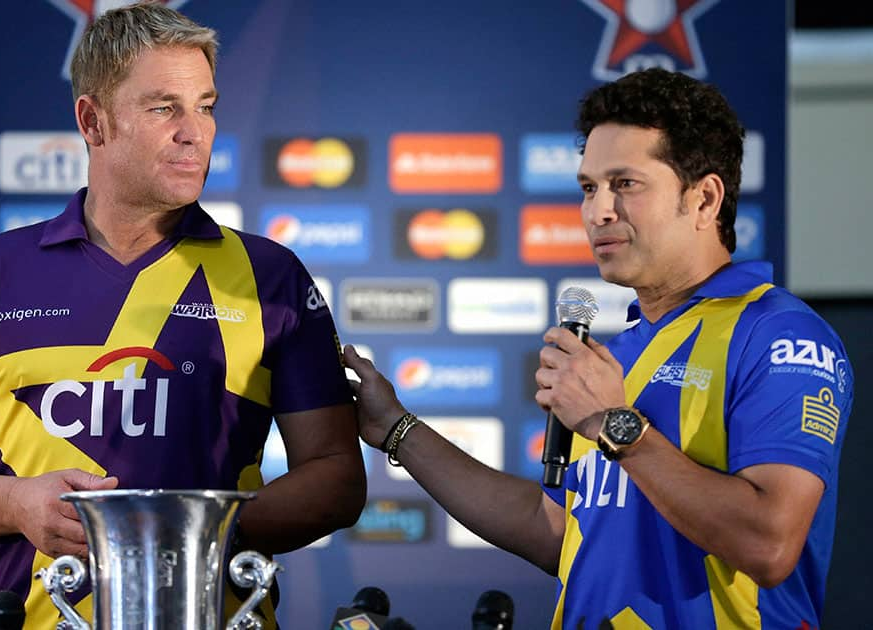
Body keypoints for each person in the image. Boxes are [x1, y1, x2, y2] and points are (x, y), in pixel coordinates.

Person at [0, 4, 365, 629]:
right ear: (93, 121)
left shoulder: (270, 275)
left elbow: (336, 476)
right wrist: (16, 502)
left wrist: (189, 535)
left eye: (207, 105)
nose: (196, 131)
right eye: (165, 108)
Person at [343, 67, 852, 629]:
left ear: (705, 199)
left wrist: (615, 424)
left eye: (625, 184)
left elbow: (769, 544)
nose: (597, 212)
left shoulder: (779, 335)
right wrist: (396, 428)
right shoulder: (620, 352)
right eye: (589, 188)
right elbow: (556, 531)